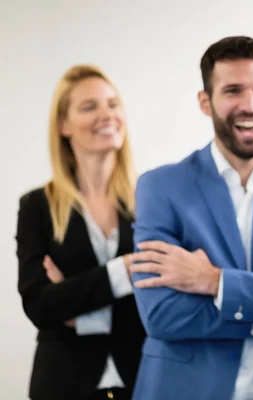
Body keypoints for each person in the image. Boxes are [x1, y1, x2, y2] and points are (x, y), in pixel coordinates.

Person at [130, 36, 253, 400]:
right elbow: (162, 314)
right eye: (233, 90)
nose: (250, 105)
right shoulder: (160, 187)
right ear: (206, 102)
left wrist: (213, 281)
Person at [16, 65, 146, 400]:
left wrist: (80, 312)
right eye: (90, 107)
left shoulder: (149, 201)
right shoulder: (38, 207)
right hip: (62, 384)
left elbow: (161, 301)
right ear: (63, 125)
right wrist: (124, 272)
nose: (107, 114)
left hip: (141, 381)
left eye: (113, 104)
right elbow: (41, 306)